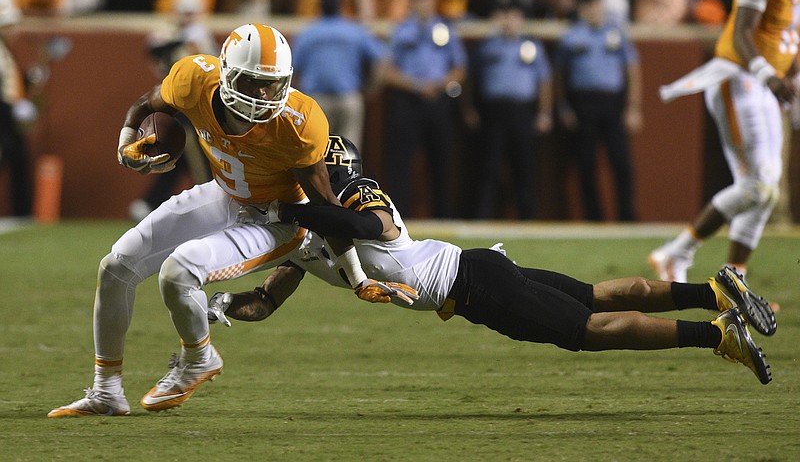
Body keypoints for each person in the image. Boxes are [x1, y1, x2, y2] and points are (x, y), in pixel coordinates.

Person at [47, 24, 416, 418]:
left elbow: (327, 207)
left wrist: (358, 279)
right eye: (253, 81)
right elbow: (147, 104)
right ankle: (106, 391)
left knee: (179, 272)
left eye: (272, 86)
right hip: (225, 193)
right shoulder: (193, 78)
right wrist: (125, 144)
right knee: (115, 267)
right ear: (225, 73)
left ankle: (198, 359)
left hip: (277, 221)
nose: (261, 95)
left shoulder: (299, 121)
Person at [208, 135, 777, 386]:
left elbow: (361, 227)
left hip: (472, 282)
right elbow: (266, 300)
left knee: (589, 331)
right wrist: (223, 306)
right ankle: (715, 292)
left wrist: (297, 209)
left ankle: (716, 337)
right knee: (595, 295)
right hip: (476, 274)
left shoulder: (354, 198)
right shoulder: (308, 240)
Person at [650, 0, 799, 282]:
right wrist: (768, 74)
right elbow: (741, 34)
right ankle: (676, 253)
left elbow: (788, 35)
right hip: (742, 78)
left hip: (767, 82)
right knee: (757, 185)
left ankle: (734, 279)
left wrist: (790, 75)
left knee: (766, 189)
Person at [554, 0, 642, 221]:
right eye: (585, 3)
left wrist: (633, 107)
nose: (591, 8)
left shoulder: (615, 33)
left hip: (611, 102)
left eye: (594, 2)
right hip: (582, 103)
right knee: (586, 164)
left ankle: (627, 216)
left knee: (621, 163)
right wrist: (563, 106)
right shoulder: (571, 36)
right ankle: (595, 217)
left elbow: (632, 70)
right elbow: (559, 76)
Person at [127, 0, 216, 222]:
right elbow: (156, 50)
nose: (188, 17)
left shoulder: (201, 38)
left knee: (179, 154)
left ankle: (151, 201)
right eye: (184, 12)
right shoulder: (169, 36)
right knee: (193, 151)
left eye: (191, 13)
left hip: (197, 103)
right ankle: (208, 194)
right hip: (176, 101)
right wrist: (182, 40)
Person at [383, 0, 467, 218]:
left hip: (438, 99)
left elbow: (460, 67)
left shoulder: (444, 29)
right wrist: (417, 85)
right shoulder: (399, 30)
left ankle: (444, 216)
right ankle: (398, 219)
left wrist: (441, 83)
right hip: (408, 99)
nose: (420, 3)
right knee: (401, 163)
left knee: (441, 160)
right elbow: (388, 71)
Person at [471, 0, 553, 219]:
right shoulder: (487, 45)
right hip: (494, 110)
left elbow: (544, 80)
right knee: (488, 165)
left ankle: (527, 216)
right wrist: (470, 108)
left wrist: (544, 112)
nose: (509, 21)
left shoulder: (531, 46)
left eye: (514, 15)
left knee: (524, 166)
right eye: (505, 15)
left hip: (522, 111)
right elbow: (473, 79)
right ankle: (482, 215)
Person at [291, 0, 387, 151]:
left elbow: (292, 69)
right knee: (348, 155)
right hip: (348, 98)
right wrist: (371, 89)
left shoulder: (308, 33)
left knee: (315, 154)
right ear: (341, 5)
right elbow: (381, 60)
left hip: (317, 101)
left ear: (320, 5)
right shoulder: (355, 30)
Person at [0, 0, 36, 218]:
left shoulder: (6, 50)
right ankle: (21, 212)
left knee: (17, 158)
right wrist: (12, 108)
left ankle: (22, 213)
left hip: (7, 116)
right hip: (3, 116)